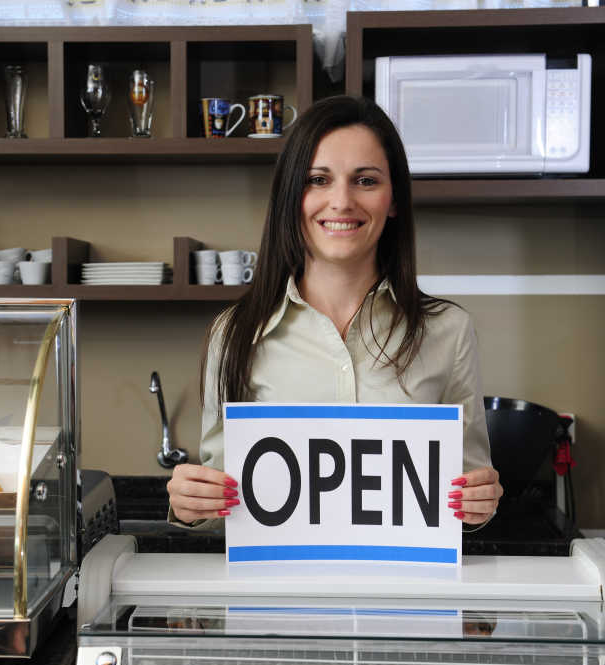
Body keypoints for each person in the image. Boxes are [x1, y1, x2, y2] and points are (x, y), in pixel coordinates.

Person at [168, 95, 503, 529]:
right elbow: (222, 509)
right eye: (318, 180)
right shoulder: (233, 333)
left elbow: (465, 495)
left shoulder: (449, 331)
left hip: (406, 595)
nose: (342, 201)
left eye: (365, 180)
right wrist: (191, 505)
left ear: (394, 200)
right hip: (277, 597)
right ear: (292, 197)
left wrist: (480, 503)